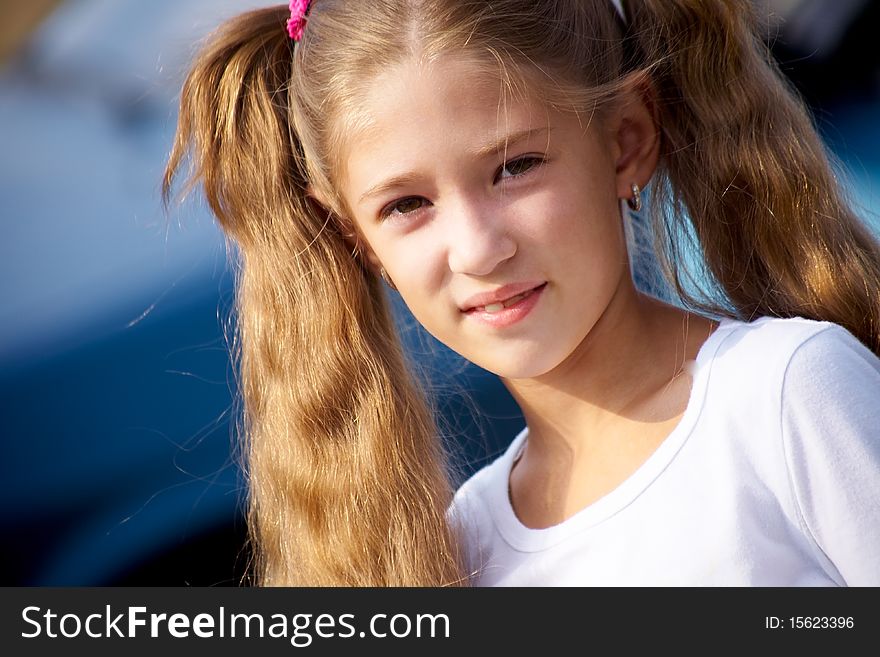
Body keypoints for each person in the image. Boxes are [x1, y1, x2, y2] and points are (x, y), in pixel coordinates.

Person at [163, 0, 880, 586]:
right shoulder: (456, 561)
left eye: (515, 166)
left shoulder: (786, 396)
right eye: (407, 204)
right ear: (354, 237)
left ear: (626, 140)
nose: (478, 247)